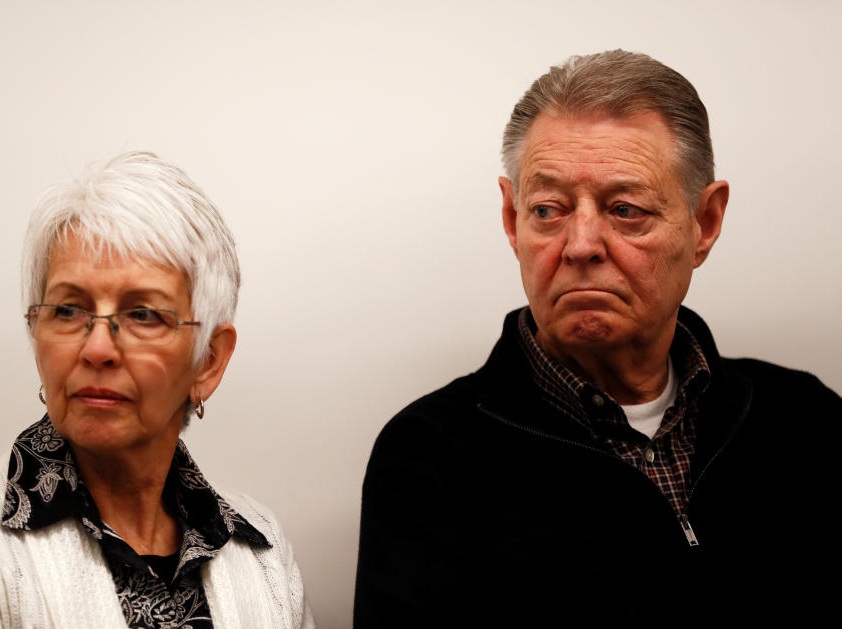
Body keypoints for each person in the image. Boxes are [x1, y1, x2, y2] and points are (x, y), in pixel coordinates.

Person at [355, 50, 841, 625]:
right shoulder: (428, 459)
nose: (581, 244)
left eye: (626, 209)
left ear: (703, 224)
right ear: (512, 222)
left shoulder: (806, 420)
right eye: (548, 209)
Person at [0, 152, 315, 628]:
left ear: (208, 362)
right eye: (68, 310)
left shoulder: (262, 554)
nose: (97, 348)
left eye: (143, 314)